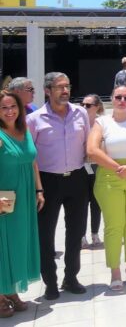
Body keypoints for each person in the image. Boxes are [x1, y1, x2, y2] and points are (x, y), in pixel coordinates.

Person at [27, 72, 90, 300]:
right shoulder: (34, 119)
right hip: (48, 182)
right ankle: (50, 282)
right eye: (59, 87)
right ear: (47, 90)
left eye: (67, 86)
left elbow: (88, 145)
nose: (65, 91)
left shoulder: (81, 113)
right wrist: (37, 188)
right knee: (45, 234)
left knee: (76, 232)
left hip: (77, 178)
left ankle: (71, 277)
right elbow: (30, 156)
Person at [87, 85, 126, 290]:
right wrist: (117, 167)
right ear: (111, 99)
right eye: (118, 97)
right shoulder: (102, 122)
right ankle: (115, 271)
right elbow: (92, 150)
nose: (122, 101)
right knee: (114, 225)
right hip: (109, 175)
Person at [0, 91, 44, 317]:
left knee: (18, 244)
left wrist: (39, 189)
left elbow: (32, 161)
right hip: (4, 198)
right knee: (3, 245)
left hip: (24, 197)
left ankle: (10, 289)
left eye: (13, 106)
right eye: (4, 108)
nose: (10, 111)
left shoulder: (23, 130)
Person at [81, 94, 105, 249]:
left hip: (97, 166)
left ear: (97, 107)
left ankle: (95, 234)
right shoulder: (77, 122)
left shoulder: (102, 123)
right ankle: (81, 236)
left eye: (88, 105)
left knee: (96, 203)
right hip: (81, 167)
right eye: (83, 104)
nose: (84, 107)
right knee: (82, 203)